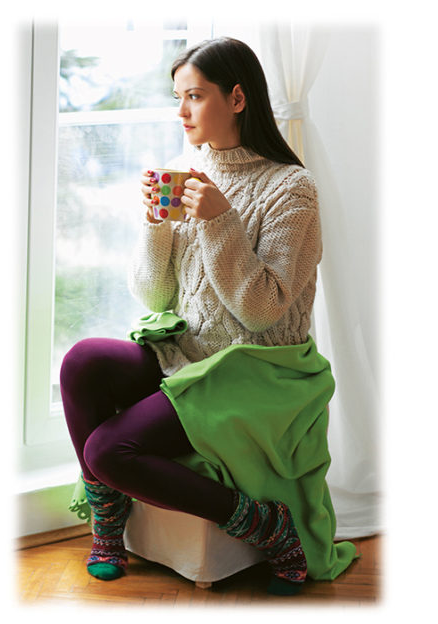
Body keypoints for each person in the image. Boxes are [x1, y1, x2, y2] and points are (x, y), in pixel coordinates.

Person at [60, 37, 354, 596]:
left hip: (255, 371)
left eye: (194, 96)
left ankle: (263, 523)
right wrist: (154, 225)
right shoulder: (183, 171)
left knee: (106, 450)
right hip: (189, 356)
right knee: (82, 362)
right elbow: (155, 296)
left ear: (238, 98)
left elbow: (263, 312)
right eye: (178, 97)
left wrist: (222, 222)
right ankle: (109, 515)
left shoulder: (292, 189)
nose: (181, 112)